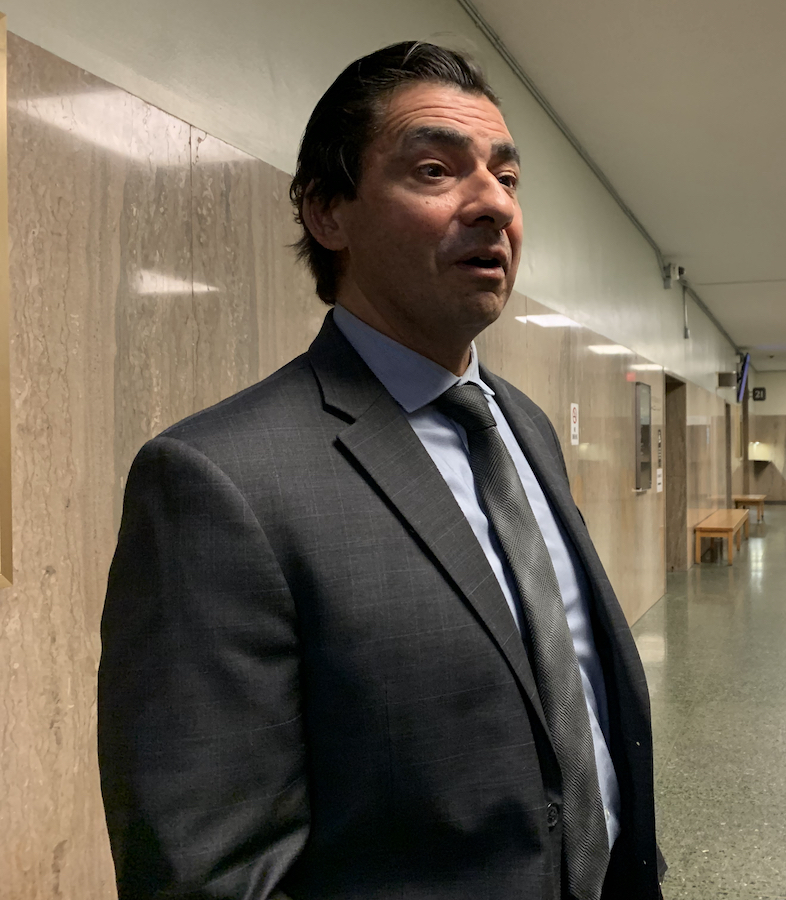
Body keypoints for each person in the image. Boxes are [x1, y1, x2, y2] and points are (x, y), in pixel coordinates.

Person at [98, 42, 662, 900]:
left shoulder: (525, 428)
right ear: (329, 212)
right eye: (436, 170)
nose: (492, 206)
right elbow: (208, 872)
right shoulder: (218, 483)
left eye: (507, 179)